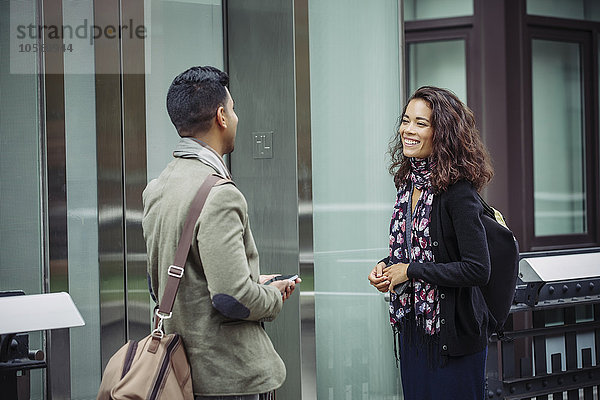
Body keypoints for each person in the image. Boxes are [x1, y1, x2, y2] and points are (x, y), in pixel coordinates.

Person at [142, 66, 299, 400]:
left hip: (177, 371)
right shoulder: (220, 193)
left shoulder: (158, 188)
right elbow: (232, 297)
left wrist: (254, 281)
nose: (237, 117)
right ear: (221, 116)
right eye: (234, 108)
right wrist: (272, 297)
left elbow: (167, 280)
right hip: (226, 377)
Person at [367, 86, 494, 400]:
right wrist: (388, 266)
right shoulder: (409, 185)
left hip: (452, 340)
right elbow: (419, 248)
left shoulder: (458, 192)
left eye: (421, 123)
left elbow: (478, 269)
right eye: (406, 120)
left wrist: (410, 272)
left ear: (443, 134)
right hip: (414, 332)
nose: (408, 130)